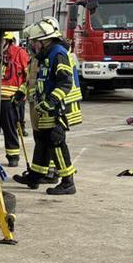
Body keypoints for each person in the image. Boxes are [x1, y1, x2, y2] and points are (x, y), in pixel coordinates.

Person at [13, 18, 83, 195]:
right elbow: (37, 81)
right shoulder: (45, 56)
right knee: (42, 141)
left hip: (56, 109)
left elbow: (65, 83)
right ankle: (36, 175)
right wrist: (22, 92)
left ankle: (68, 182)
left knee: (56, 142)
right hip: (45, 108)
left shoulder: (58, 54)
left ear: (44, 41)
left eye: (34, 42)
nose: (32, 46)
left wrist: (50, 102)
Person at [0, 31, 30, 167]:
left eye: (2, 40)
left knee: (10, 129)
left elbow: (28, 76)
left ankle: (13, 156)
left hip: (10, 99)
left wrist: (21, 95)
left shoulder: (19, 53)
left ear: (8, 40)